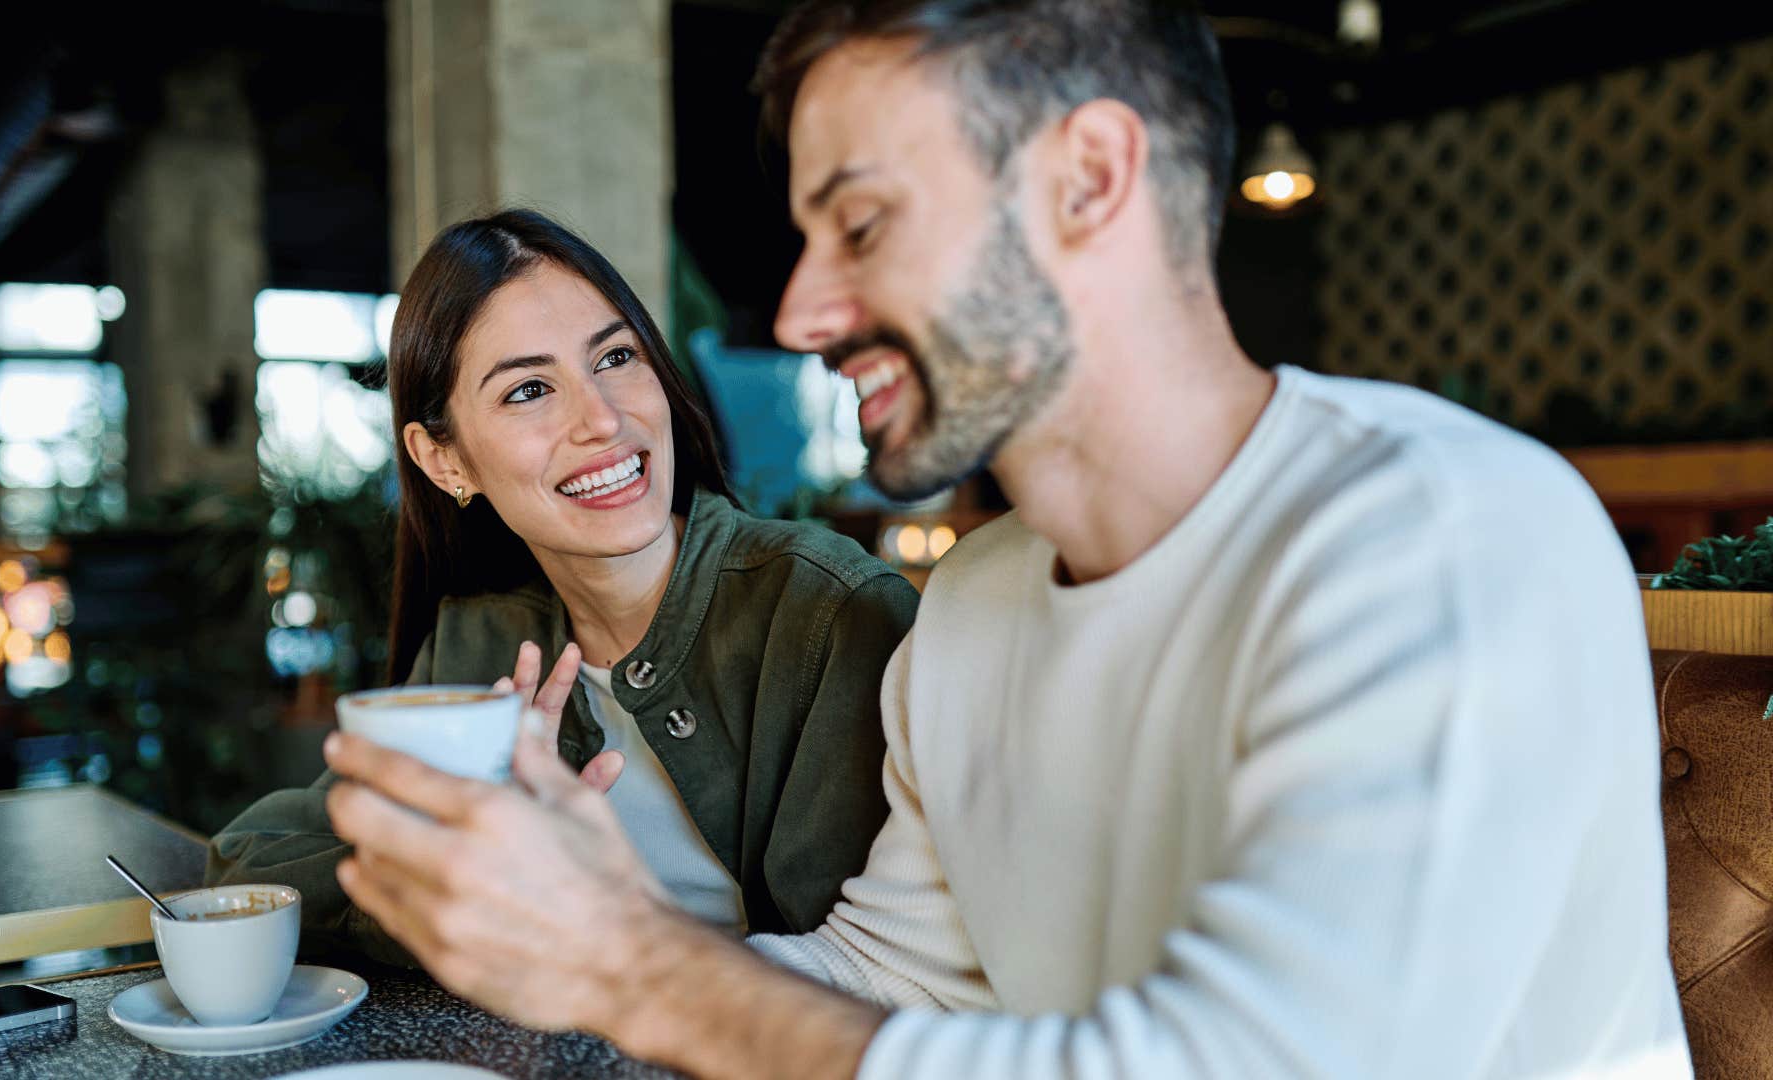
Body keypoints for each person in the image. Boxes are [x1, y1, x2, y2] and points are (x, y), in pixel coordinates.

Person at [318, 3, 1693, 1077]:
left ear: (1090, 178)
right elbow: (891, 981)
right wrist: (586, 914)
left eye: (859, 223)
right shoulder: (973, 614)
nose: (799, 312)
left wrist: (629, 966)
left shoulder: (1436, 544)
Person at [209, 209, 918, 957]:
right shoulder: (477, 643)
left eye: (614, 359)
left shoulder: (832, 619)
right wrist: (468, 864)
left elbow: (876, 985)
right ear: (444, 461)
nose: (603, 420)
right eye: (527, 392)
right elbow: (248, 859)